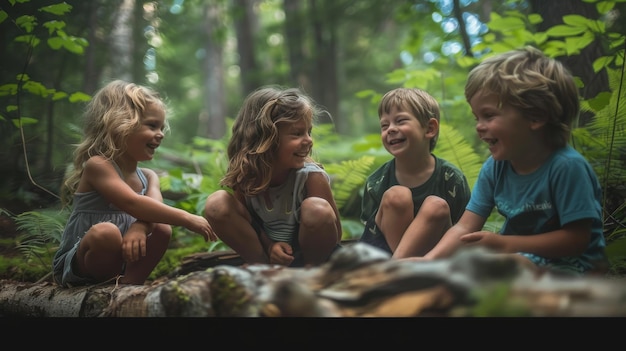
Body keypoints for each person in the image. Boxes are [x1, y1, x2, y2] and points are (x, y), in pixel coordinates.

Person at [420, 46, 607, 276]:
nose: (479, 126)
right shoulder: (495, 167)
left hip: (573, 267)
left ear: (535, 116)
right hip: (516, 257)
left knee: (502, 269)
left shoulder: (566, 167)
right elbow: (464, 226)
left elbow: (577, 239)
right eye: (477, 117)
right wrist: (427, 262)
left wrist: (506, 245)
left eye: (489, 115)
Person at [53, 80, 217, 288]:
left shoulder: (149, 177)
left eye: (161, 127)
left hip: (123, 263)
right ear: (120, 124)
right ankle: (105, 286)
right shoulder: (98, 165)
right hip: (81, 263)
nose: (161, 134)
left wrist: (140, 226)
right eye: (152, 125)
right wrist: (187, 218)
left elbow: (152, 209)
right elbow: (132, 203)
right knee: (107, 233)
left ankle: (129, 285)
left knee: (162, 228)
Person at [204, 85, 342, 267]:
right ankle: (261, 268)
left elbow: (334, 231)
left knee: (317, 209)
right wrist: (270, 248)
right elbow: (249, 223)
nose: (309, 140)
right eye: (297, 133)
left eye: (309, 132)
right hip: (269, 256)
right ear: (265, 139)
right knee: (216, 203)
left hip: (310, 256)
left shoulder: (310, 176)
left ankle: (312, 273)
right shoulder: (246, 175)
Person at [359, 87, 472, 258]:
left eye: (401, 121)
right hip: (384, 256)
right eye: (384, 125)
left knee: (436, 206)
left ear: (429, 129)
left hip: (435, 260)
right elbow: (372, 234)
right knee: (397, 195)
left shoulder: (451, 179)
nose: (390, 129)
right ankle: (402, 271)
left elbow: (464, 230)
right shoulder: (377, 182)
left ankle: (401, 271)